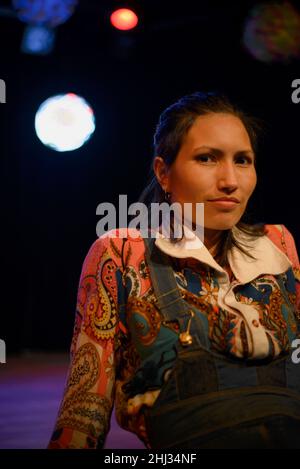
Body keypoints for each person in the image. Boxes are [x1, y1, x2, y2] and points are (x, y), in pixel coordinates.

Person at [48, 91, 300, 449]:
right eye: (207, 158)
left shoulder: (278, 244)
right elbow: (84, 410)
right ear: (163, 173)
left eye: (242, 160)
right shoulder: (123, 253)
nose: (230, 180)